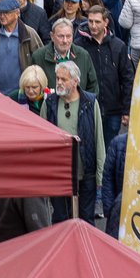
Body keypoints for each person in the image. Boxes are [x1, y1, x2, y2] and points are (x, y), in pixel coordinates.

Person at [41, 61, 105, 222]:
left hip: (86, 173)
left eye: (64, 79)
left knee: (86, 220)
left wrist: (100, 175)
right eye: (57, 79)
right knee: (61, 219)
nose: (59, 83)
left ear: (76, 81)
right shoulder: (49, 103)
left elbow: (98, 140)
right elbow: (42, 140)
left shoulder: (90, 103)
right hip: (58, 173)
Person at [76, 5, 134, 144]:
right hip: (87, 108)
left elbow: (127, 79)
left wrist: (126, 110)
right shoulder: (79, 46)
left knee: (110, 147)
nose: (93, 26)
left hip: (112, 109)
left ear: (106, 22)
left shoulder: (118, 46)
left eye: (97, 22)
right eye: (90, 21)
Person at [0, 0, 43, 95]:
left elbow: (40, 63)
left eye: (6, 13)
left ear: (17, 13)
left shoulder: (29, 34)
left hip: (23, 94)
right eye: (0, 12)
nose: (2, 16)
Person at [31, 18, 100, 93]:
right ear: (52, 36)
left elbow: (93, 87)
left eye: (68, 36)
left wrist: (84, 104)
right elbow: (33, 88)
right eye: (60, 36)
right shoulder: (38, 57)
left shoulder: (83, 55)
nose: (65, 41)